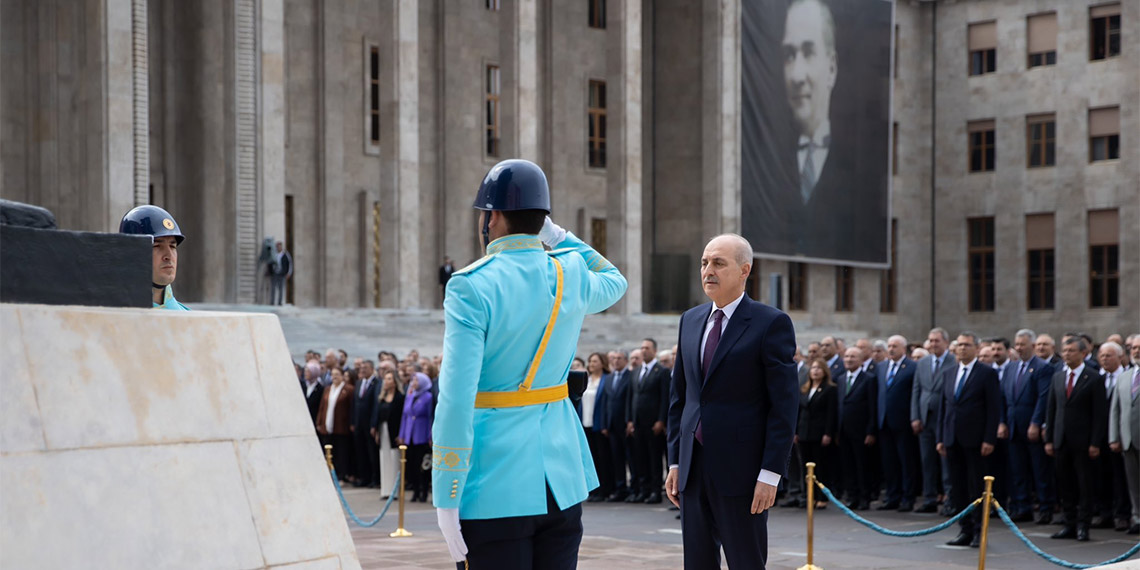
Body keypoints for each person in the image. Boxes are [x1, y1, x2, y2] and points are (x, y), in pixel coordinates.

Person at [431, 159, 627, 569]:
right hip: (560, 480)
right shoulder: (569, 270)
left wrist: (447, 494)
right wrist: (558, 236)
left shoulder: (470, 285)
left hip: (494, 484)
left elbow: (454, 399)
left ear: (494, 217)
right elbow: (614, 279)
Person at [665, 233, 798, 569]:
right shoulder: (690, 320)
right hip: (693, 467)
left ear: (744, 270)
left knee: (746, 562)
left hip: (744, 473)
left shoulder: (771, 323)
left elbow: (784, 407)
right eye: (705, 262)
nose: (708, 270)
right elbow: (681, 398)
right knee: (697, 562)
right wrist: (675, 462)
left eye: (718, 263)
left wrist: (770, 473)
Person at [937, 332, 1001, 548]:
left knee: (976, 487)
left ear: (976, 347)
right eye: (959, 345)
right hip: (952, 438)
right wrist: (941, 437)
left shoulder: (986, 373)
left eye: (967, 345)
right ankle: (964, 529)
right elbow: (944, 408)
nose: (962, 349)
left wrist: (989, 438)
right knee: (957, 487)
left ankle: (978, 531)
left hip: (975, 439)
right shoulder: (949, 372)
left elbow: (993, 409)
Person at [1045, 336, 1107, 542]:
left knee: (1084, 485)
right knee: (1065, 484)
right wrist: (1049, 439)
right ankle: (1068, 524)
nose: (1066, 354)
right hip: (1061, 440)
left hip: (1084, 442)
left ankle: (1083, 526)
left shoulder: (1094, 378)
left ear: (1082, 353)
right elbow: (1052, 410)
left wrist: (1095, 442)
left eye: (1071, 350)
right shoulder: (1058, 377)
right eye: (1065, 350)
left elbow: (1099, 414)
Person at [1004, 329, 1056, 524]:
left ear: (1033, 346)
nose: (1018, 348)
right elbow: (1004, 397)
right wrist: (1003, 421)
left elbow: (1043, 398)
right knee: (1018, 470)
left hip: (1031, 426)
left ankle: (1045, 508)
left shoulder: (1042, 368)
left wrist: (1036, 423)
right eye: (1016, 344)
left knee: (1040, 470)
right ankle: (1022, 506)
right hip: (1013, 426)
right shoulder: (1011, 367)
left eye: (1022, 344)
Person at [911, 327, 957, 514]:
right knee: (927, 460)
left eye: (937, 341)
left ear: (945, 342)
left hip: (944, 419)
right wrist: (915, 416)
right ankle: (929, 498)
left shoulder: (953, 361)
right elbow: (916, 390)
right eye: (930, 341)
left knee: (946, 462)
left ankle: (950, 500)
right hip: (925, 418)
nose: (933, 344)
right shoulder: (923, 363)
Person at [118, 205, 189, 310]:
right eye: (156, 246)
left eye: (172, 246)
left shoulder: (189, 318)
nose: (168, 256)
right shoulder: (110, 316)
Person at [626, 339, 670, 504]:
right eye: (642, 347)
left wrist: (661, 420)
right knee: (640, 458)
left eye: (647, 348)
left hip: (653, 424)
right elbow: (631, 397)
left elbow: (665, 398)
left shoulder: (662, 371)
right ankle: (643, 491)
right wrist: (629, 420)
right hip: (638, 423)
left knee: (654, 459)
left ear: (655, 351)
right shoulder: (635, 372)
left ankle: (655, 491)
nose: (644, 350)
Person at [877, 335, 918, 511]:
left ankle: (908, 497)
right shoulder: (881, 367)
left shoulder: (912, 367)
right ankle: (892, 496)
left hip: (903, 422)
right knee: (889, 462)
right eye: (889, 346)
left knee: (906, 462)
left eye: (895, 346)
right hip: (884, 421)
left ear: (904, 348)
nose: (891, 349)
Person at [837, 347, 877, 510]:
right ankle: (852, 496)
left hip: (861, 431)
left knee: (862, 466)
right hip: (843, 430)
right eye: (846, 356)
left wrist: (871, 431)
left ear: (861, 360)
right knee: (848, 466)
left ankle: (864, 497)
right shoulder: (841, 379)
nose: (849, 359)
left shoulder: (869, 379)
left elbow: (873, 406)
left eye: (853, 357)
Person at [1108, 342, 1140, 535]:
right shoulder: (1124, 377)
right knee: (1133, 482)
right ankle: (1137, 517)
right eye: (1134, 348)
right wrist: (1114, 437)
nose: (1136, 351)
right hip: (1128, 439)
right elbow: (1115, 410)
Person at [797, 358, 837, 509]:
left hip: (819, 434)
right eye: (813, 368)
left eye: (818, 368)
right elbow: (799, 411)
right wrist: (795, 431)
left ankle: (822, 497)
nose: (815, 371)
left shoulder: (829, 389)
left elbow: (830, 414)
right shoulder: (804, 388)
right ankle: (808, 496)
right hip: (804, 432)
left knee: (820, 466)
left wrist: (828, 433)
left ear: (824, 371)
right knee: (805, 467)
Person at [579, 352, 612, 502]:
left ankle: (604, 489)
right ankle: (592, 490)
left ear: (602, 363)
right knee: (589, 459)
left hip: (599, 424)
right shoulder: (587, 379)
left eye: (595, 361)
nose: (592, 364)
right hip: (585, 423)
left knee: (602, 458)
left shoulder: (606, 380)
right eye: (590, 361)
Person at [603, 350, 634, 502]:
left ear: (626, 361)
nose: (616, 361)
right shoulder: (609, 378)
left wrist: (630, 420)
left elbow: (630, 400)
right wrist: (605, 424)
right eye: (614, 358)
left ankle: (634, 488)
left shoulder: (631, 376)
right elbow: (605, 402)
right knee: (617, 459)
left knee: (632, 458)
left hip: (625, 424)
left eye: (619, 358)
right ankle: (620, 488)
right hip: (612, 426)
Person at [398, 374, 433, 503]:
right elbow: (405, 415)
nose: (414, 382)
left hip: (421, 435)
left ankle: (423, 492)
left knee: (422, 466)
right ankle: (415, 492)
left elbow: (430, 417)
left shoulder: (428, 397)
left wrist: (430, 435)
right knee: (411, 465)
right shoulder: (410, 395)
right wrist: (402, 434)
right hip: (409, 435)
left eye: (416, 380)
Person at [316, 367, 355, 482]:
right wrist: (319, 421)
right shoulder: (328, 389)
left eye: (337, 374)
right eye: (333, 374)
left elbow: (351, 408)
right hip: (327, 425)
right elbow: (322, 407)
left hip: (341, 426)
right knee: (329, 451)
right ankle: (330, 474)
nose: (334, 377)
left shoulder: (348, 390)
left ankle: (341, 475)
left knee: (341, 452)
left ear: (342, 376)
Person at [371, 369, 405, 499]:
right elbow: (379, 416)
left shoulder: (399, 397)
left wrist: (401, 434)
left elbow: (401, 417)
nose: (386, 381)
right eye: (386, 379)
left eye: (390, 379)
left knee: (394, 458)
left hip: (394, 431)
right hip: (383, 430)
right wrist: (377, 431)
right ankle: (385, 490)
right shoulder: (382, 397)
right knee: (384, 458)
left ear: (395, 382)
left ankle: (394, 491)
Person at [352, 360, 381, 488]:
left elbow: (376, 405)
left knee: (372, 453)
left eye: (365, 368)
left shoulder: (376, 383)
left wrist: (374, 425)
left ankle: (374, 478)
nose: (362, 370)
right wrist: (353, 422)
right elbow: (354, 404)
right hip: (359, 424)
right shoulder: (359, 383)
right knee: (360, 452)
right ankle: (364, 477)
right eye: (361, 368)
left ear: (371, 369)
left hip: (369, 424)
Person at [301, 361, 324, 425]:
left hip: (314, 420)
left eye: (308, 371)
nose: (305, 373)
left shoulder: (320, 389)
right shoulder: (302, 385)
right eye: (305, 371)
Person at [270, 241, 292, 305]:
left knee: (281, 289)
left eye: (280, 246)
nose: (278, 248)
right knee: (273, 288)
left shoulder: (285, 255)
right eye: (277, 247)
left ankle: (280, 302)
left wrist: (288, 273)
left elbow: (290, 264)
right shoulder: (274, 254)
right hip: (275, 273)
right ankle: (272, 302)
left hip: (282, 274)